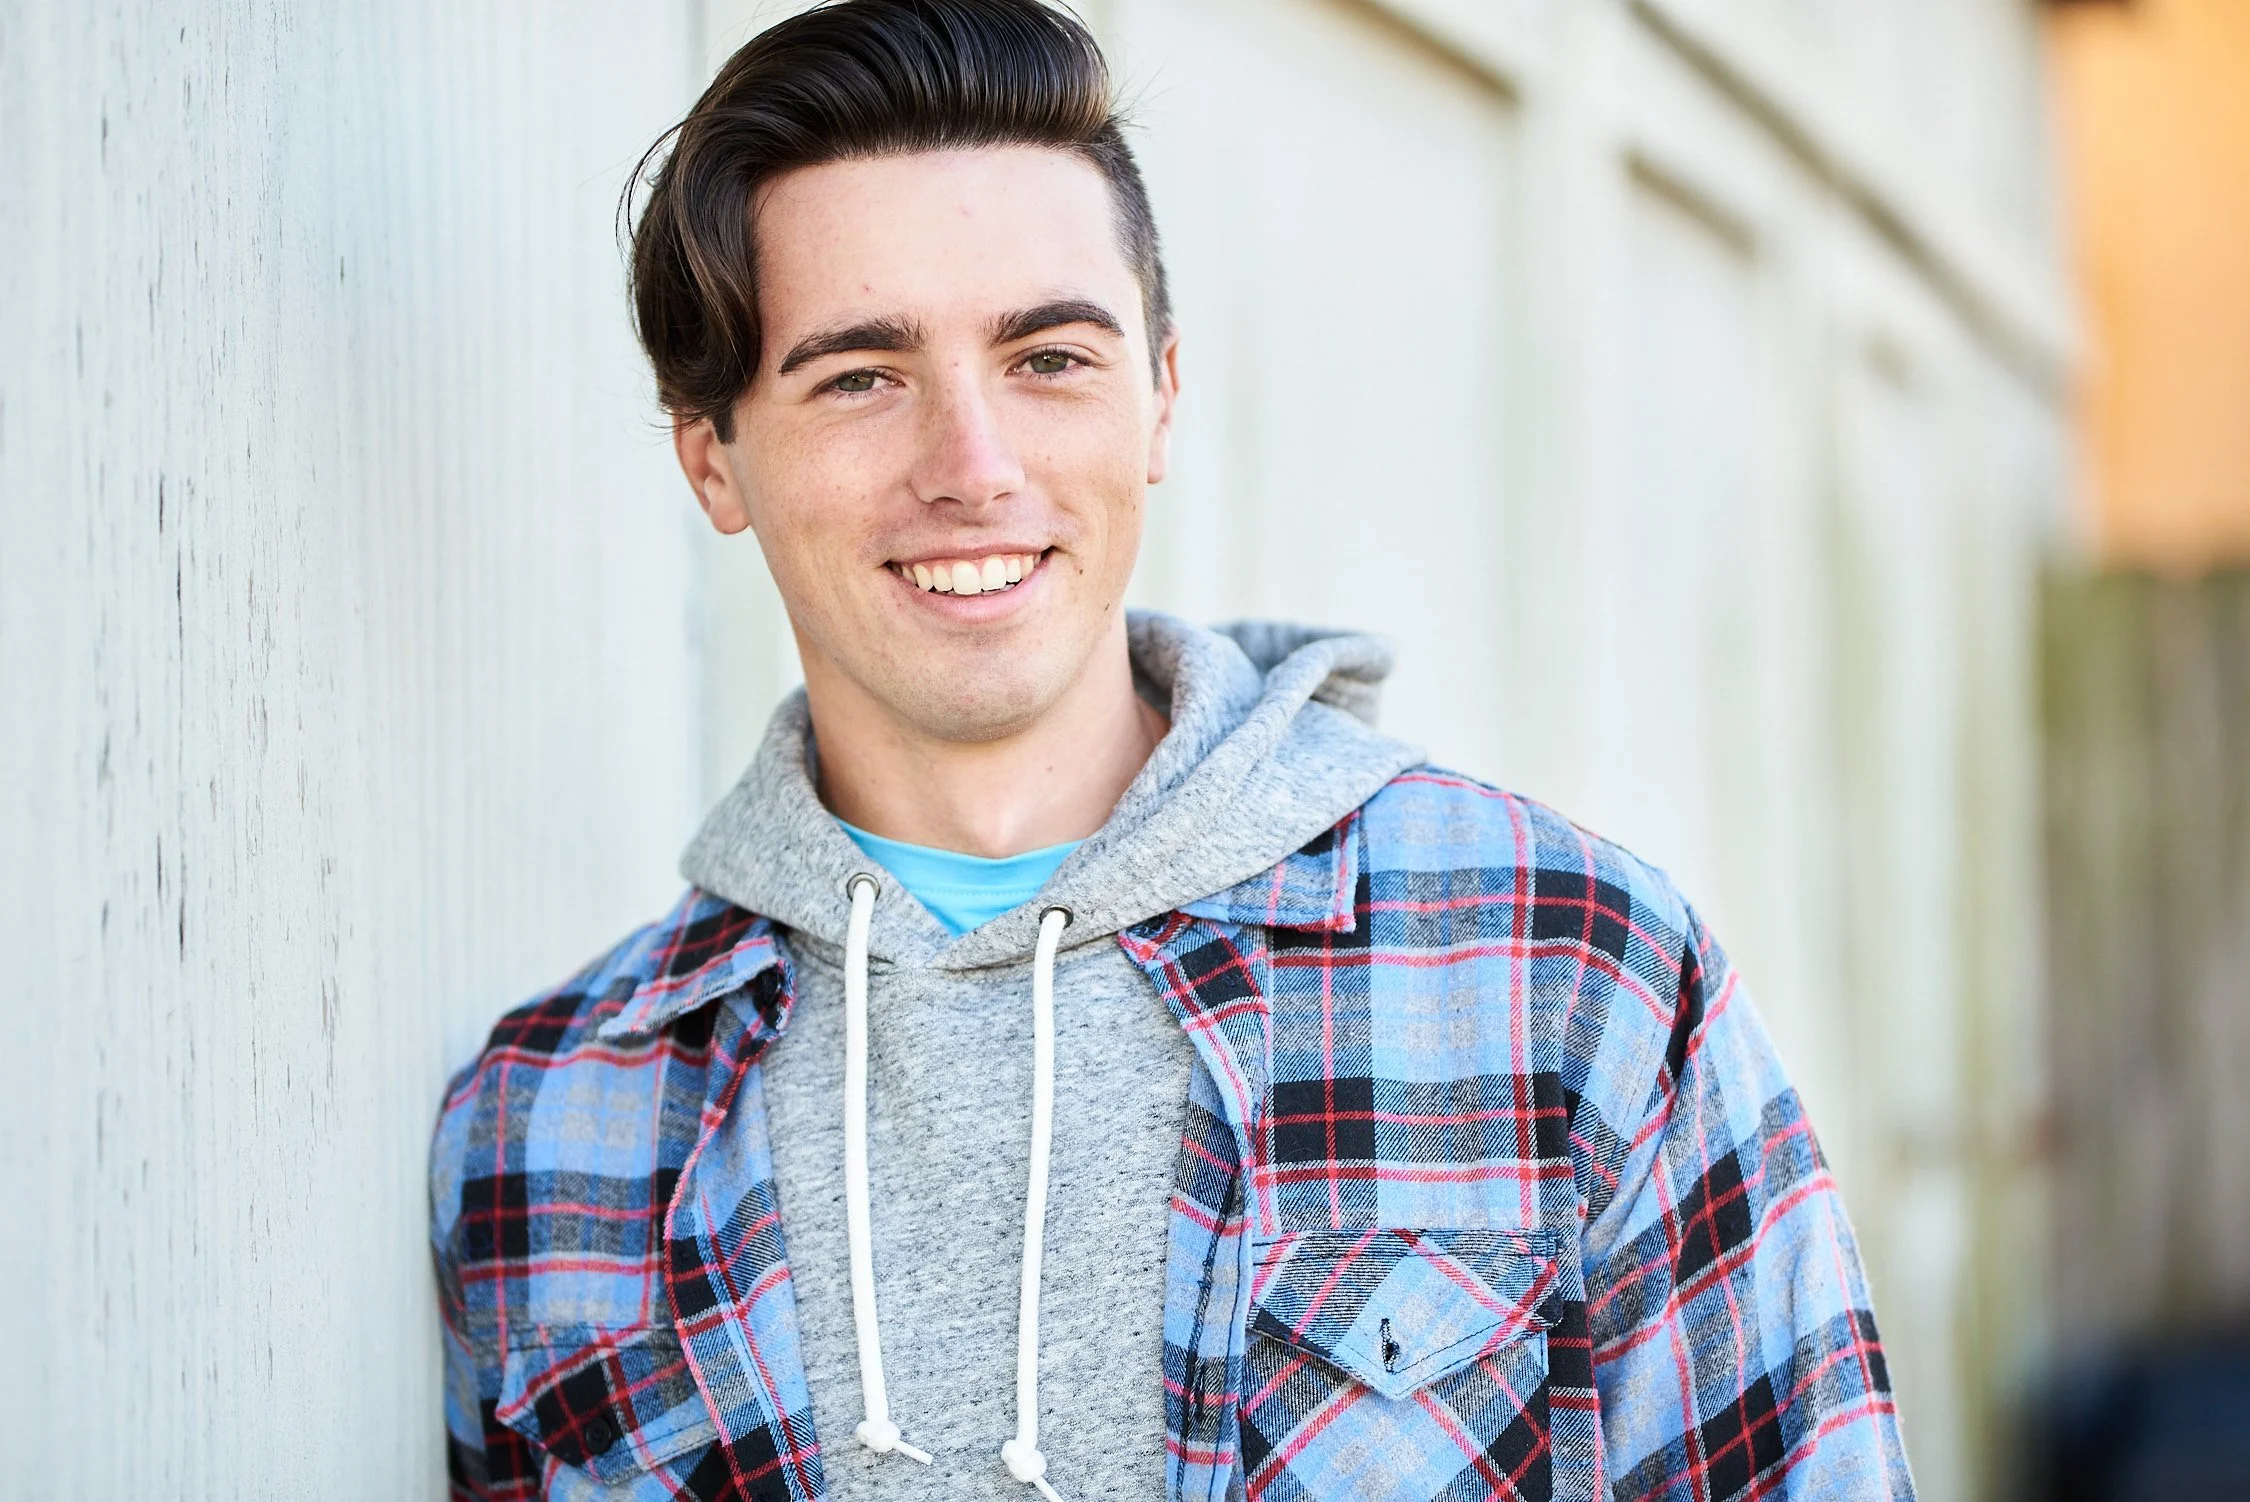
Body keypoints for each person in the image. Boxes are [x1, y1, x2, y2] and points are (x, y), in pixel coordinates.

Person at [427, 2, 1915, 1498]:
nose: (973, 466)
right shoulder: (552, 1134)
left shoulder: (1559, 972)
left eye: (1049, 358)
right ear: (715, 458)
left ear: (1161, 397)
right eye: (861, 376)